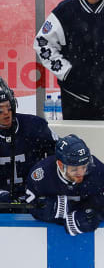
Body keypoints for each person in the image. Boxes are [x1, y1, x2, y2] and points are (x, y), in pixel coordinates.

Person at [24, 135, 104, 236]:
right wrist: (49, 211)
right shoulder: (41, 175)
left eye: (84, 167)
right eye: (74, 169)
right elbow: (30, 205)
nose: (81, 173)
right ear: (61, 165)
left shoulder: (98, 171)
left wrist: (90, 215)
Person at [0, 77, 58, 210]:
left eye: (9, 107)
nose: (6, 114)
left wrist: (42, 186)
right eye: (0, 110)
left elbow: (59, 157)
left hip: (34, 199)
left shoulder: (35, 126)